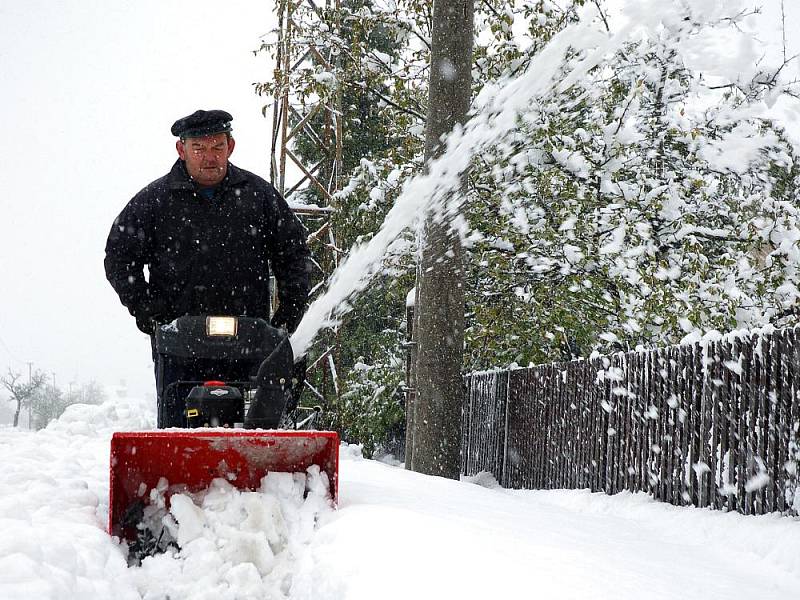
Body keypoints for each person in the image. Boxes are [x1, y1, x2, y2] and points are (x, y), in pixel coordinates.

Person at [104, 109, 310, 426]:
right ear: (181, 149)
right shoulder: (155, 201)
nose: (209, 158)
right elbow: (119, 257)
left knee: (256, 428)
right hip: (178, 343)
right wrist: (147, 311)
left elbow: (293, 252)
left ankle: (264, 475)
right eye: (199, 148)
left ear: (230, 146)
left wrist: (288, 314)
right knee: (178, 427)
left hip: (250, 338)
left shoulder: (258, 196)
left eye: (216, 147)